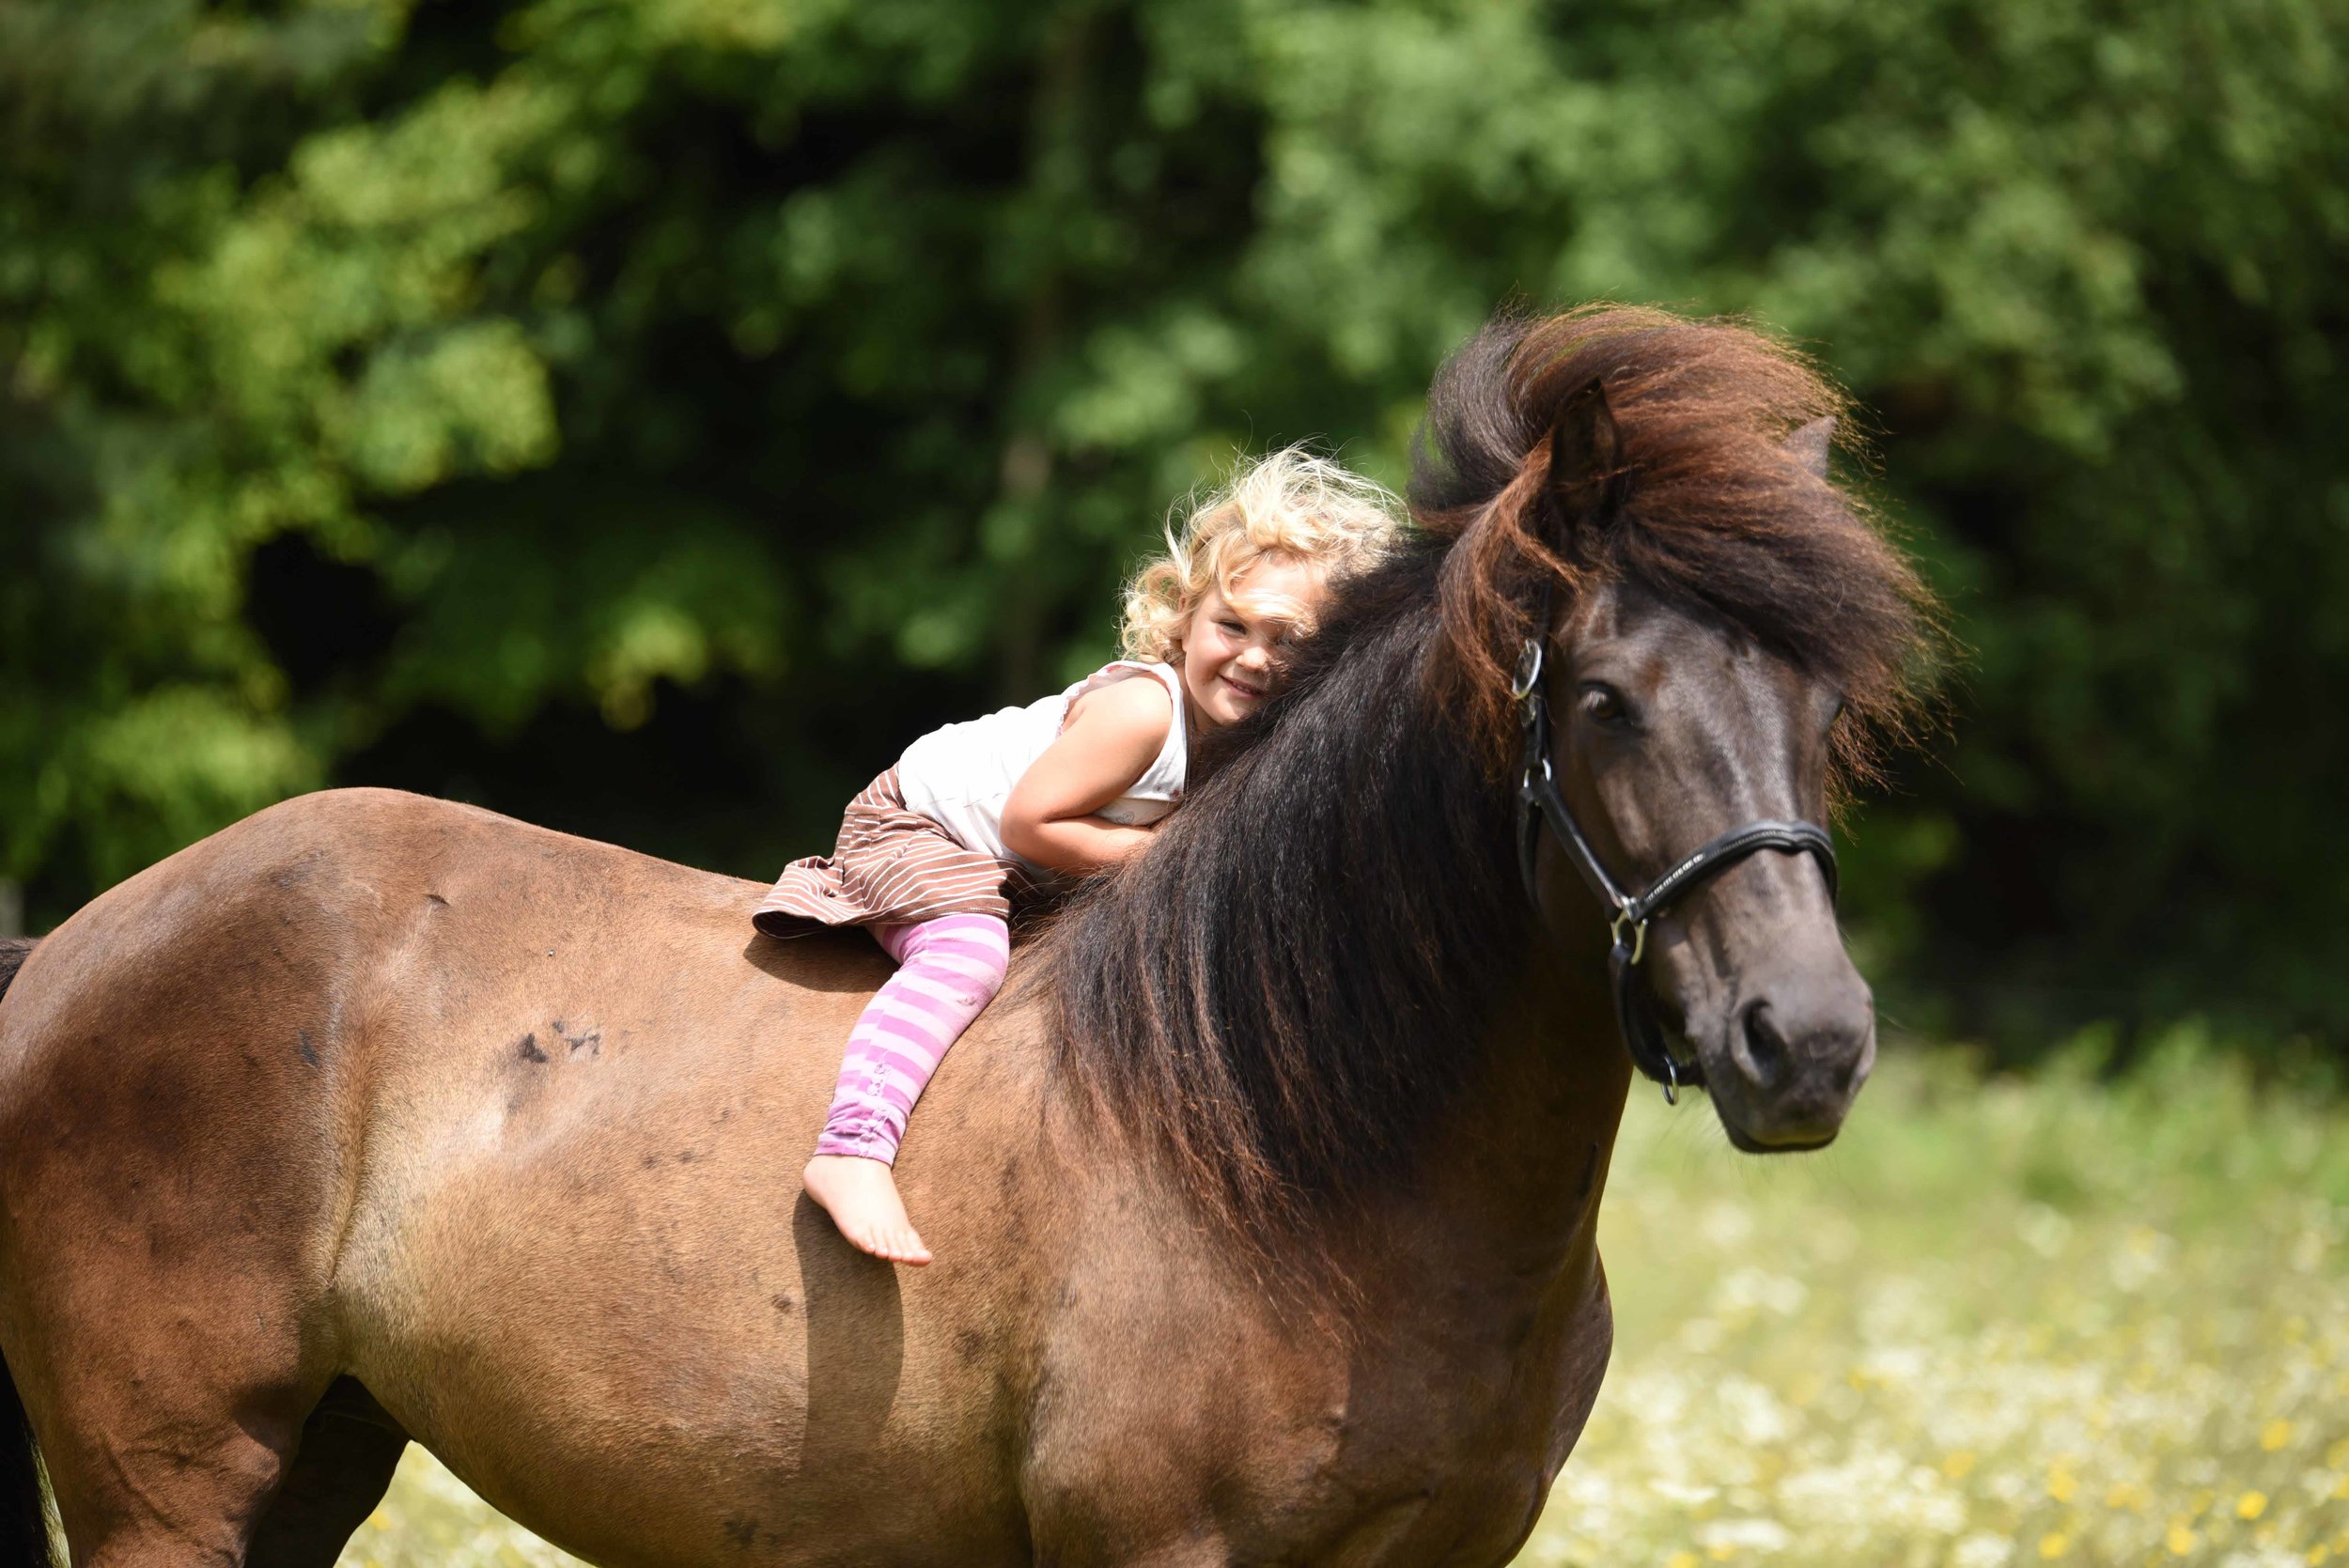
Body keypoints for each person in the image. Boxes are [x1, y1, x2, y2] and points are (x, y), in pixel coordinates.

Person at [752, 448, 1400, 1265]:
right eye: (1232, 625)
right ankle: (853, 1145)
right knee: (968, 952)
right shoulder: (1142, 713)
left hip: (1015, 862)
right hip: (919, 826)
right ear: (1183, 618)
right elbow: (1030, 821)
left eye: (1290, 641)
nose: (1255, 657)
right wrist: (1164, 856)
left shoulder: (1246, 746)